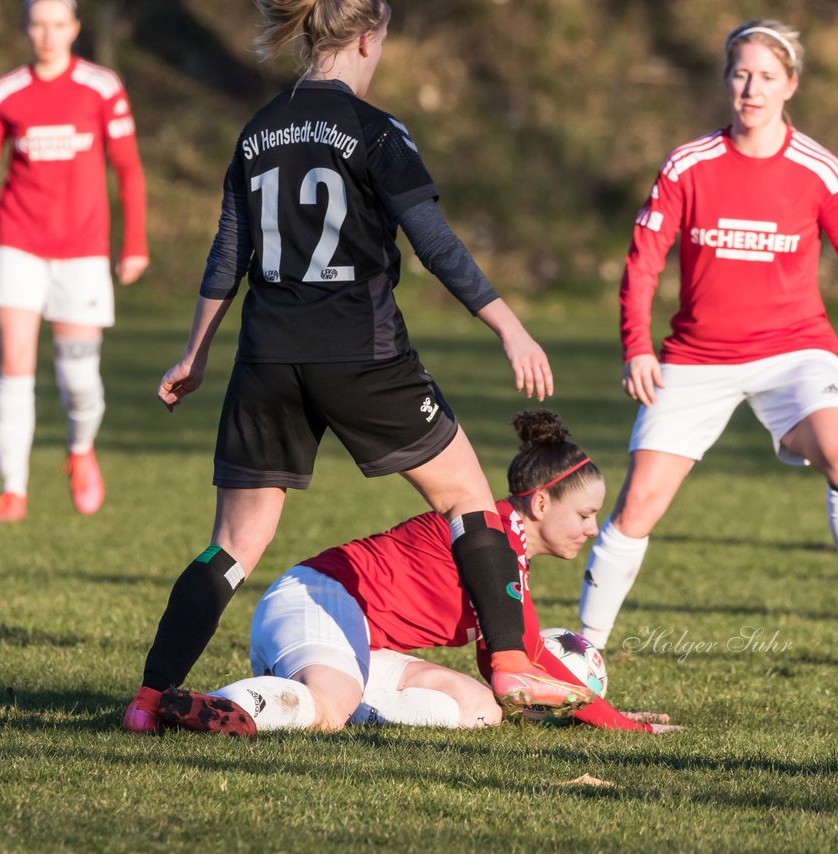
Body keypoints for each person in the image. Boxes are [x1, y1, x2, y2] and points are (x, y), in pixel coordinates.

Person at [124, 0, 587, 733]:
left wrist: (195, 351)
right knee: (467, 496)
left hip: (267, 355)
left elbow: (226, 255)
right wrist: (509, 326)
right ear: (370, 38)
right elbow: (435, 243)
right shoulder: (376, 131)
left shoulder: (258, 131)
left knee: (235, 545)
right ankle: (508, 663)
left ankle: (148, 703)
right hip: (361, 354)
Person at [578, 20, 838, 664]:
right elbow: (644, 260)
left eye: (766, 77)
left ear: (790, 85)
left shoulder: (819, 170)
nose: (751, 89)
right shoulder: (689, 164)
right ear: (726, 80)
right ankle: (582, 649)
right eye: (741, 74)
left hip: (795, 353)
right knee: (639, 504)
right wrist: (637, 346)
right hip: (695, 358)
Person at [157, 411, 679, 736]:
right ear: (541, 503)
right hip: (317, 601)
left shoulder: (504, 551)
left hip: (356, 642)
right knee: (331, 707)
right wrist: (619, 723)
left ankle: (318, 702)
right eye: (586, 515)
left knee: (477, 710)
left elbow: (503, 668)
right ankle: (219, 706)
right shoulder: (492, 537)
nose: (591, 530)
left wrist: (585, 710)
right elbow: (533, 655)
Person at [0, 0, 148, 523]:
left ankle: (80, 451)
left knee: (78, 377)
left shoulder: (102, 88)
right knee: (15, 366)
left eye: (58, 24)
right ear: (26, 27)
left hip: (83, 253)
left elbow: (127, 169)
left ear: (74, 29)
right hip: (16, 245)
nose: (48, 34)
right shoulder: (5, 94)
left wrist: (134, 244)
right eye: (38, 23)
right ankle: (12, 490)